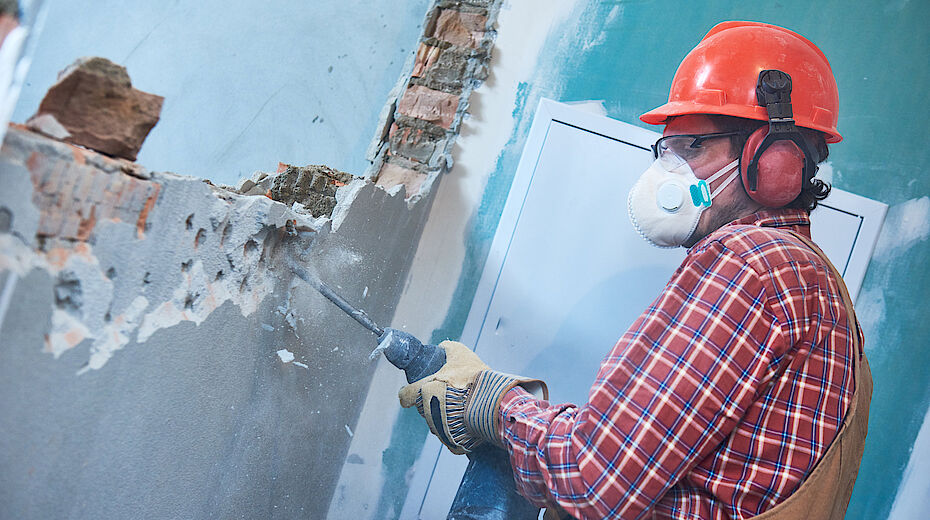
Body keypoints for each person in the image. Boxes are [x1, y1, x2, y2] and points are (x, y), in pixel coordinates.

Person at [398, 21, 871, 519]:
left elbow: (593, 480)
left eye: (693, 147)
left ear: (773, 161)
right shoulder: (819, 287)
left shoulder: (747, 265)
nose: (669, 170)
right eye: (667, 149)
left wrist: (491, 404)